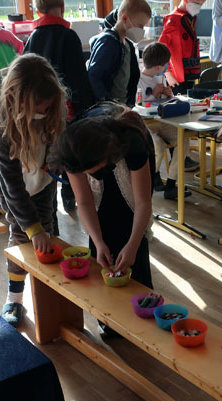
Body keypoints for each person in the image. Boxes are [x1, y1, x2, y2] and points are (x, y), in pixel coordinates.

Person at [0, 54, 67, 324]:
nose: (43, 113)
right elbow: (11, 183)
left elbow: (58, 140)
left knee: (47, 229)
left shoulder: (50, 104)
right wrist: (32, 228)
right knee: (22, 234)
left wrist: (53, 160)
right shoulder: (0, 118)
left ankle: (47, 293)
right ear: (14, 98)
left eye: (47, 108)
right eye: (37, 110)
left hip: (41, 178)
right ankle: (15, 298)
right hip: (10, 184)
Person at [49, 105, 154, 294]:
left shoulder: (133, 142)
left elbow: (143, 202)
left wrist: (133, 245)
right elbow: (84, 202)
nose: (90, 177)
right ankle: (105, 312)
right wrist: (98, 243)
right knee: (102, 247)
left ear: (108, 156)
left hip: (130, 188)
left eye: (93, 172)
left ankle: (141, 298)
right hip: (101, 172)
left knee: (134, 251)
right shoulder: (73, 150)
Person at [24, 0, 95, 212]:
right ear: (62, 7)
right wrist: (87, 108)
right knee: (69, 153)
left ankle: (51, 204)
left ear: (38, 10)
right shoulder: (68, 35)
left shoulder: (34, 36)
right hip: (67, 109)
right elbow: (78, 78)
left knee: (46, 155)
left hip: (39, 110)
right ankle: (69, 196)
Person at [137, 42, 190, 201]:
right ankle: (154, 178)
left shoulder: (160, 76)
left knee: (183, 140)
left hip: (162, 122)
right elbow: (138, 106)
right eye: (166, 65)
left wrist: (169, 95)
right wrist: (153, 95)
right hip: (146, 125)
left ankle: (171, 184)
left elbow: (166, 103)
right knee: (157, 146)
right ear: (158, 67)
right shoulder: (138, 80)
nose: (168, 67)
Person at [87, 0, 151, 106]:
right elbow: (94, 76)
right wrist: (106, 105)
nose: (142, 30)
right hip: (110, 109)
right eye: (140, 26)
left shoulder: (128, 45)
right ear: (125, 19)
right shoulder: (109, 42)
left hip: (123, 106)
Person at [159, 0, 206, 95]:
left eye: (201, 4)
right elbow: (160, 48)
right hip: (176, 77)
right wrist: (167, 73)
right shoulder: (173, 19)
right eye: (197, 3)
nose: (199, 7)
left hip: (190, 73)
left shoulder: (189, 18)